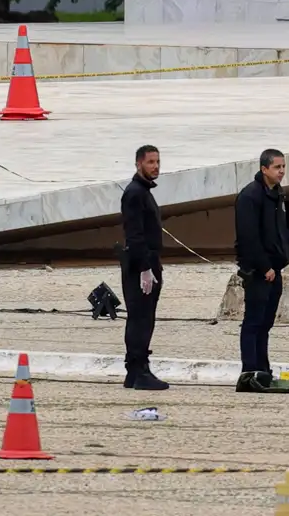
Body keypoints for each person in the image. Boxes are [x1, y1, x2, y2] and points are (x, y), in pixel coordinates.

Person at [235, 148, 289, 374]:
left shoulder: (277, 193)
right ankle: (250, 369)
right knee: (253, 321)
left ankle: (263, 369)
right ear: (264, 169)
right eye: (277, 167)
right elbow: (248, 237)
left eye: (283, 166)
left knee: (266, 323)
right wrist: (264, 267)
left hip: (276, 268)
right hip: (258, 271)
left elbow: (280, 228)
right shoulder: (250, 196)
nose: (282, 171)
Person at [120, 145, 169, 391]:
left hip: (147, 261)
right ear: (139, 164)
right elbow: (135, 234)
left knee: (143, 318)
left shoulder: (143, 191)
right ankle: (139, 370)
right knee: (141, 318)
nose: (156, 166)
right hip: (140, 264)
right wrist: (144, 268)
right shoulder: (135, 193)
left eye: (158, 161)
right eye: (151, 162)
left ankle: (135, 371)